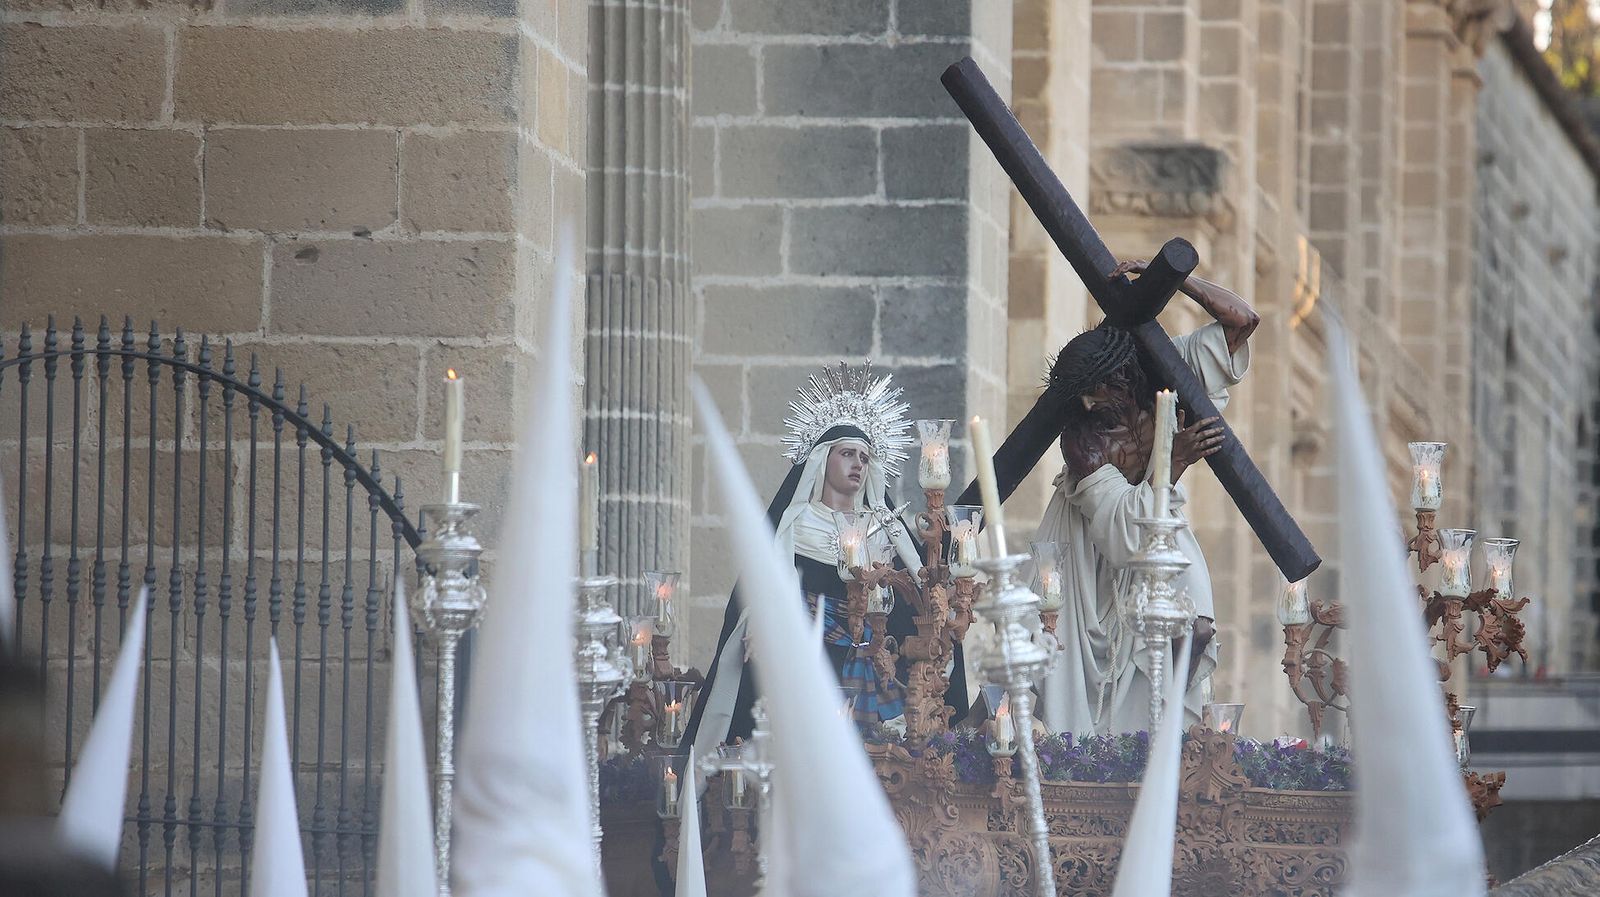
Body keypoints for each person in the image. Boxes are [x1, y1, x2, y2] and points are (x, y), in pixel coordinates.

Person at [985, 259, 1258, 736]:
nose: (1091, 404)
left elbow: (1242, 322)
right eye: (1083, 398)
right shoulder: (1085, 443)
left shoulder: (1166, 371)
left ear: (1122, 377)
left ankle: (1167, 728)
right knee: (1084, 671)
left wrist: (1175, 282)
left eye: (1097, 391)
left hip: (1158, 524)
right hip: (1092, 550)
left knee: (1193, 616)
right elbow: (1121, 538)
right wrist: (1175, 462)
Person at [683, 364, 931, 757]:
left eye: (865, 458)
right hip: (807, 654)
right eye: (847, 453)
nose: (858, 465)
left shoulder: (885, 528)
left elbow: (922, 596)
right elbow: (767, 588)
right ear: (821, 460)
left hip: (871, 657)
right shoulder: (794, 523)